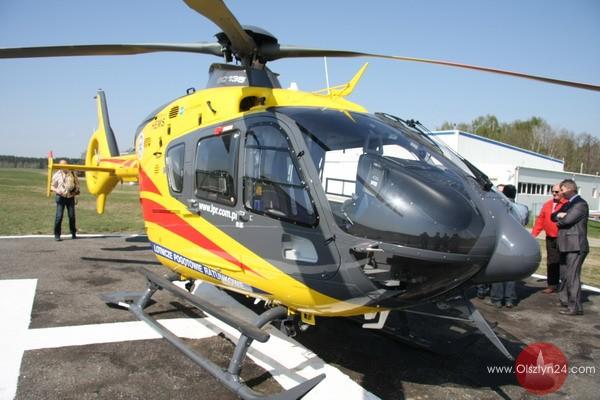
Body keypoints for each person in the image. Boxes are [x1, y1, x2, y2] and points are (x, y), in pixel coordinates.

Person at [551, 179, 589, 316]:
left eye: (561, 190)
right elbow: (553, 216)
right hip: (565, 245)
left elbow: (567, 221)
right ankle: (565, 300)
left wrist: (562, 217)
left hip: (575, 246)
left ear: (568, 189)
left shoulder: (580, 204)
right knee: (564, 275)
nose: (560, 193)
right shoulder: (568, 204)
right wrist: (560, 215)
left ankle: (575, 307)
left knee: (572, 276)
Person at [488, 184, 529, 308]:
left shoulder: (498, 207)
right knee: (511, 272)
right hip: (517, 241)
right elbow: (525, 223)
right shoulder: (523, 208)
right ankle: (509, 299)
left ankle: (497, 299)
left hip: (502, 241)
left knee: (499, 271)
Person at [531, 184, 567, 293]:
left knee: (564, 262)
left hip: (563, 237)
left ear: (562, 192)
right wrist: (533, 235)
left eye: (557, 191)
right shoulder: (547, 204)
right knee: (551, 262)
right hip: (550, 237)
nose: (554, 194)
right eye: (553, 191)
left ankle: (565, 286)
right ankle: (552, 285)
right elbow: (540, 220)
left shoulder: (567, 204)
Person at [50, 160, 80, 241]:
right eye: (61, 165)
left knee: (72, 216)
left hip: (70, 197)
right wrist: (57, 190)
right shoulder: (56, 175)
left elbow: (77, 184)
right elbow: (51, 186)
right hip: (60, 197)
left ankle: (73, 233)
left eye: (65, 165)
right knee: (59, 216)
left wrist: (75, 191)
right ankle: (57, 234)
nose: (63, 167)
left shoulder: (72, 173)